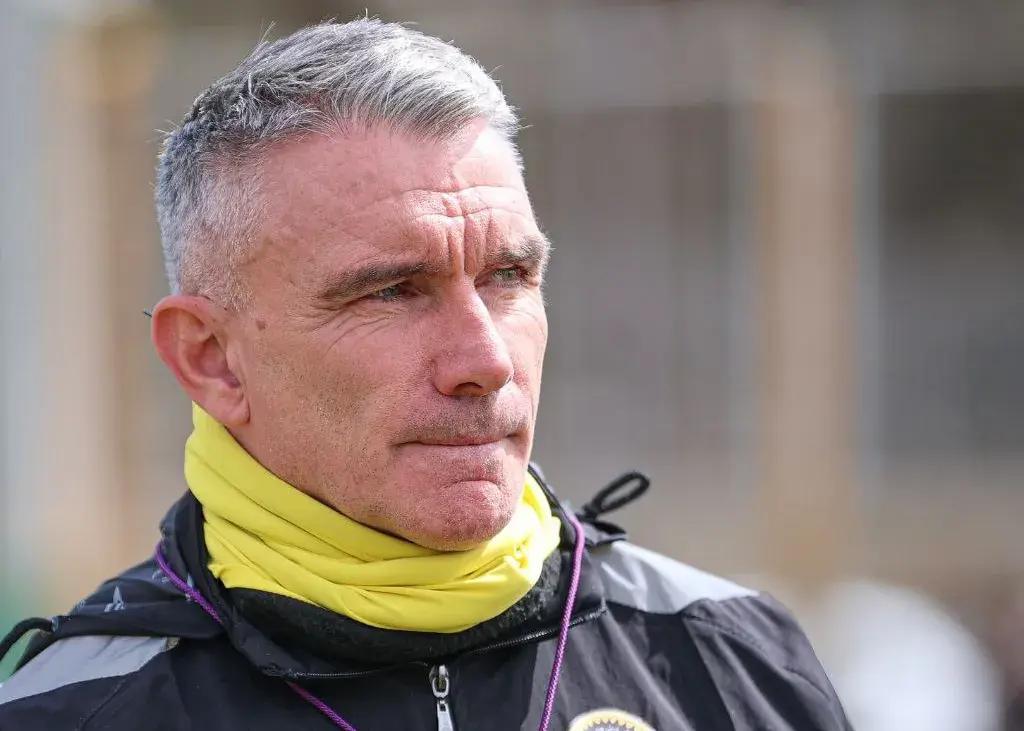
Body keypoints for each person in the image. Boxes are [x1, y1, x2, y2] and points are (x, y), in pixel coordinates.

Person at [0, 19, 852, 731]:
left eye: (508, 276)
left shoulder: (727, 659)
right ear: (211, 358)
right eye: (393, 291)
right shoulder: (70, 710)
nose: (486, 360)